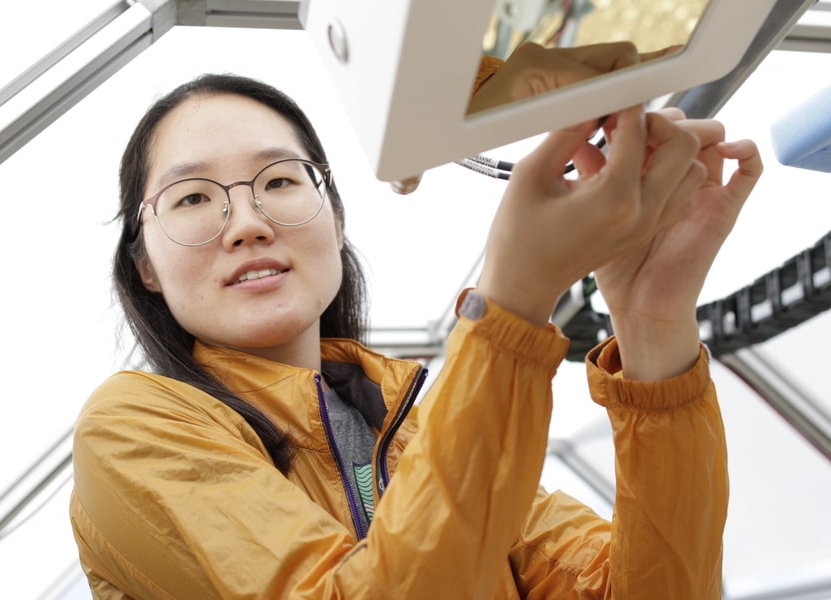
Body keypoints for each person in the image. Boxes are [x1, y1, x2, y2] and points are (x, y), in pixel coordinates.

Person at [70, 47, 763, 599]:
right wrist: (513, 297)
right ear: (145, 267)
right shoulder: (134, 428)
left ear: (335, 219)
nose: (247, 224)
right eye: (193, 197)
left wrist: (653, 321)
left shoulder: (423, 432)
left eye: (280, 180)